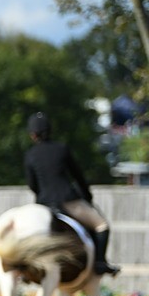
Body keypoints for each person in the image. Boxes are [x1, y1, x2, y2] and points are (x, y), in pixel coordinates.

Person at [24, 111, 120, 276]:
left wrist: (43, 197)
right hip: (68, 201)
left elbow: (32, 184)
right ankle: (99, 262)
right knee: (102, 225)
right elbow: (78, 176)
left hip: (44, 204)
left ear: (33, 135)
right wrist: (87, 195)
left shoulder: (30, 155)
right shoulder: (62, 148)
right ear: (49, 130)